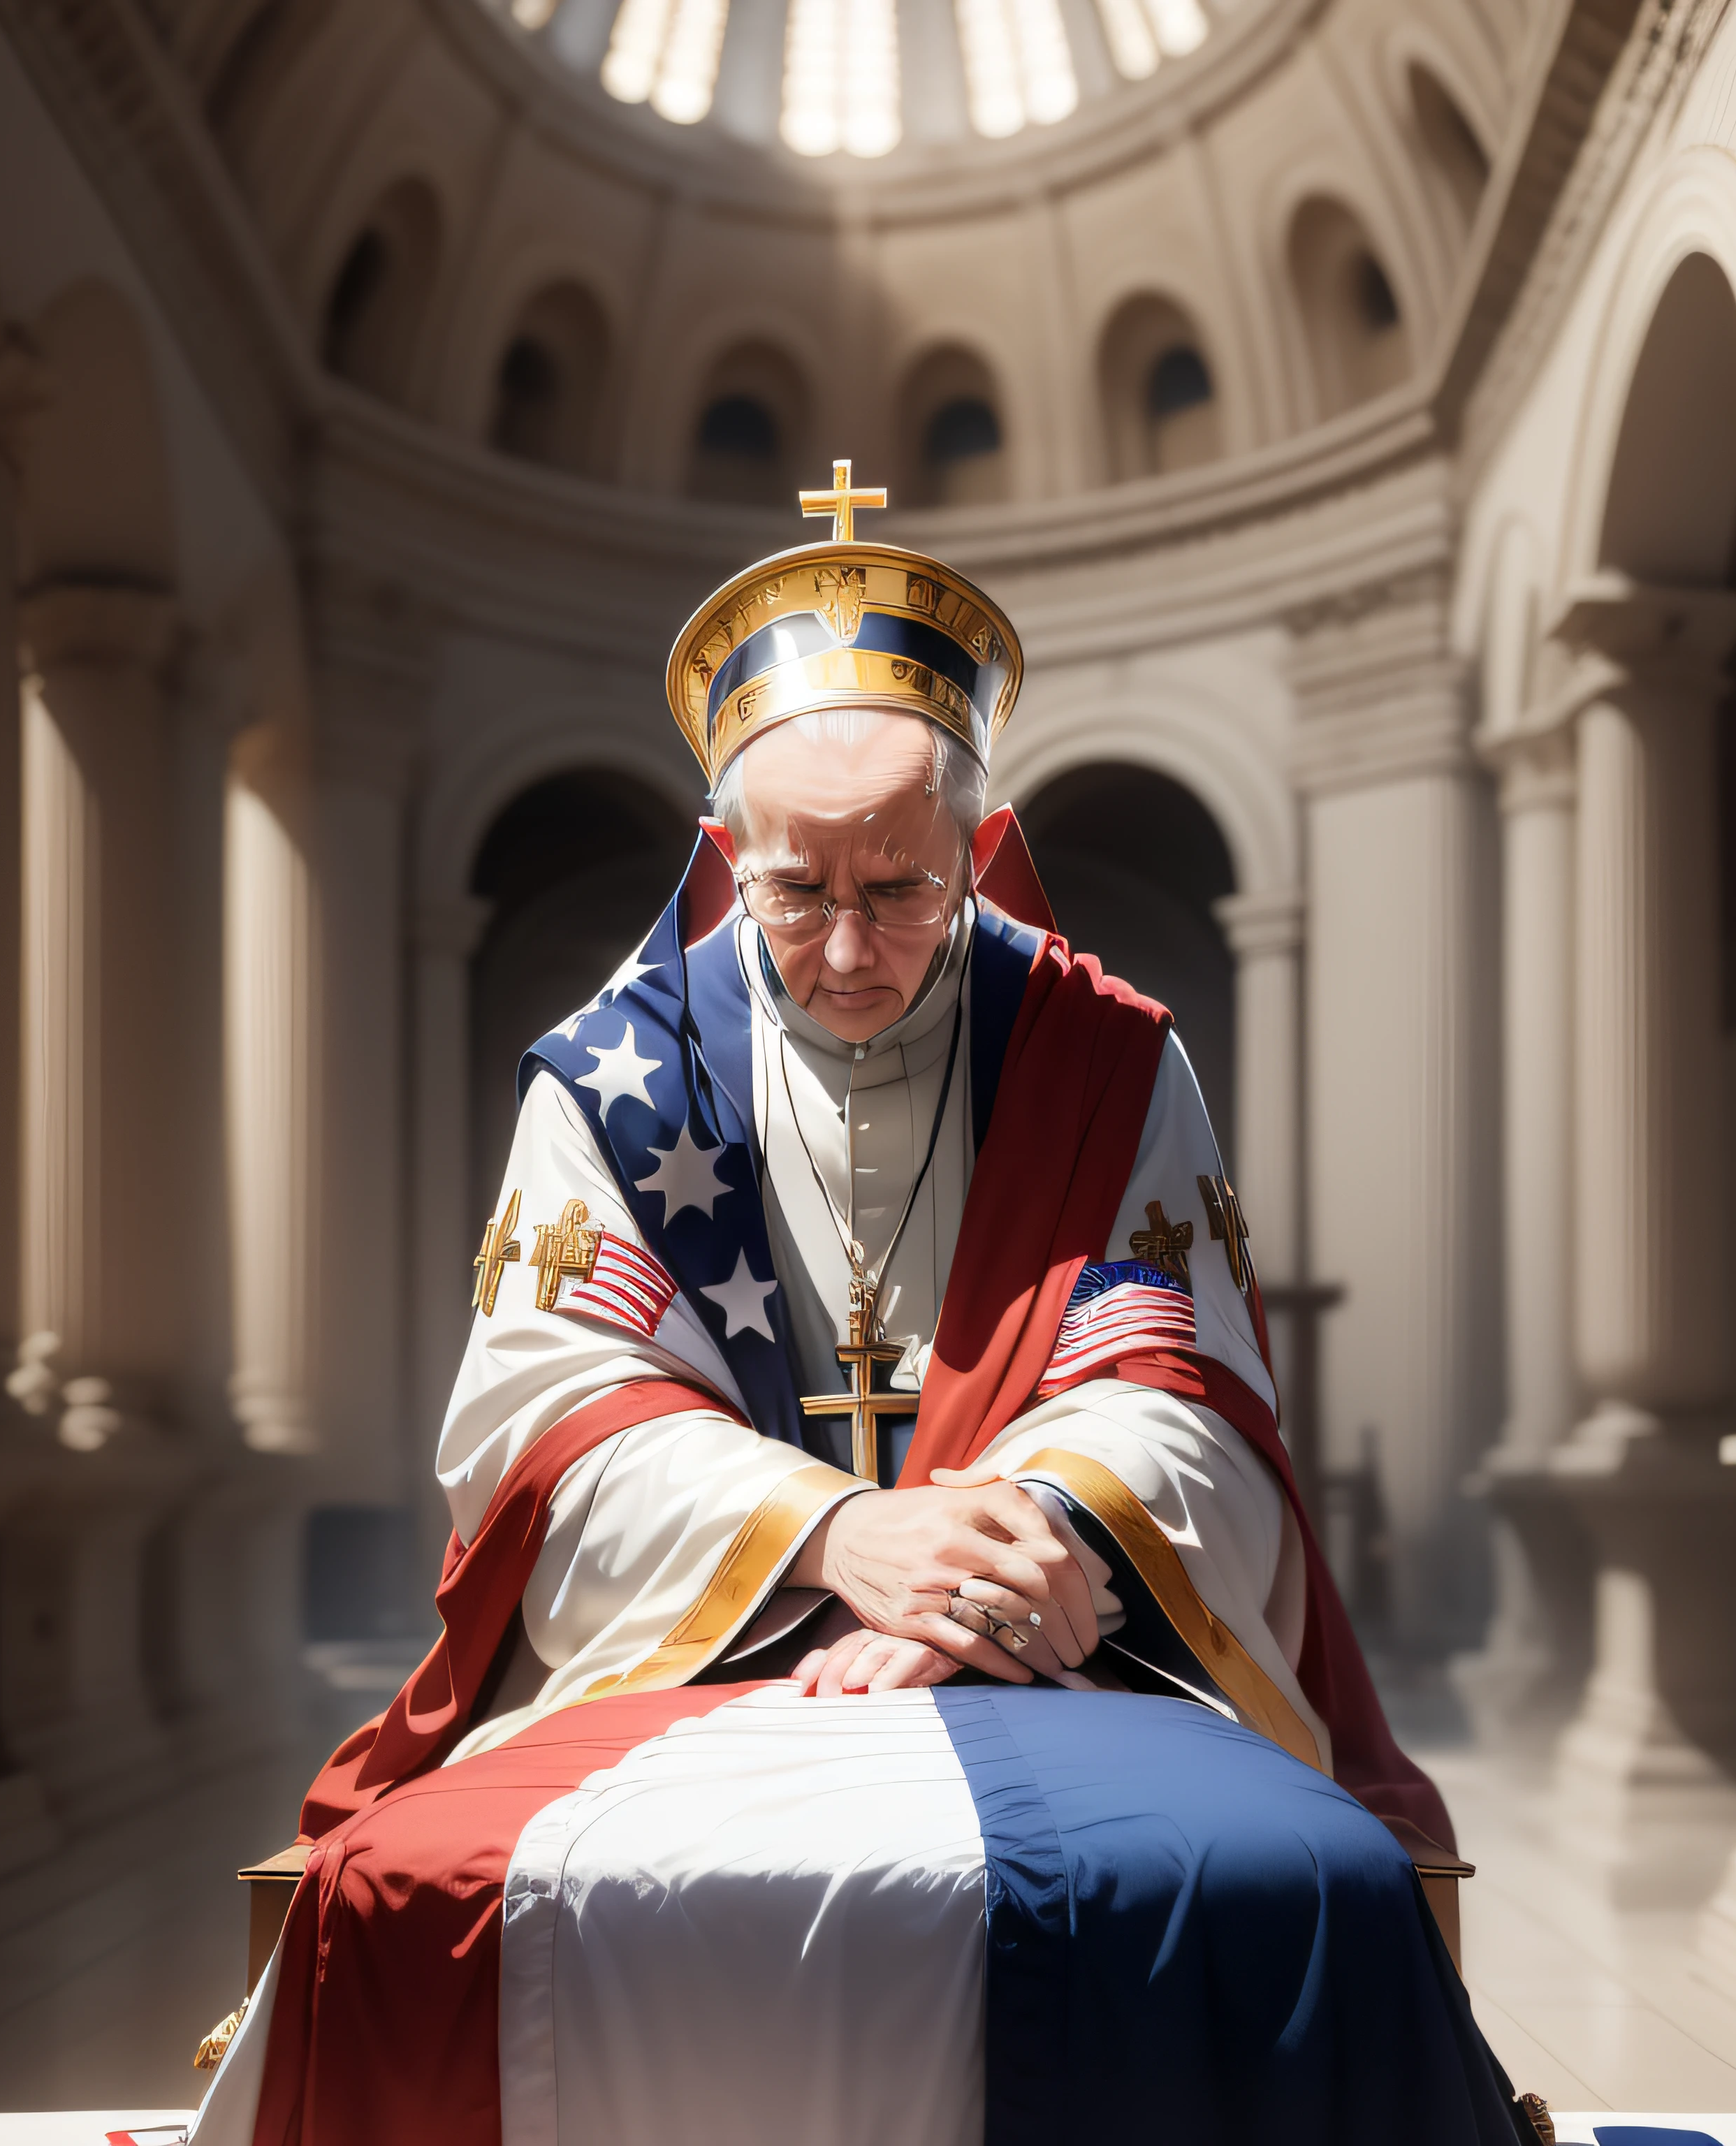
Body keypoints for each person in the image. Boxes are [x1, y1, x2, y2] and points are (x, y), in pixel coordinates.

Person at [192, 465, 1536, 2146]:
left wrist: (988, 1561)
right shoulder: (613, 1085)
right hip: (704, 1645)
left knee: (1301, 1890)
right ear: (719, 854)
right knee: (400, 1896)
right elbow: (542, 1422)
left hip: (1054, 1644)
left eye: (899, 888)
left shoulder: (1105, 1057)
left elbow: (1180, 1384)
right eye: (793, 890)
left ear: (977, 849)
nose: (843, 947)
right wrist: (836, 1540)